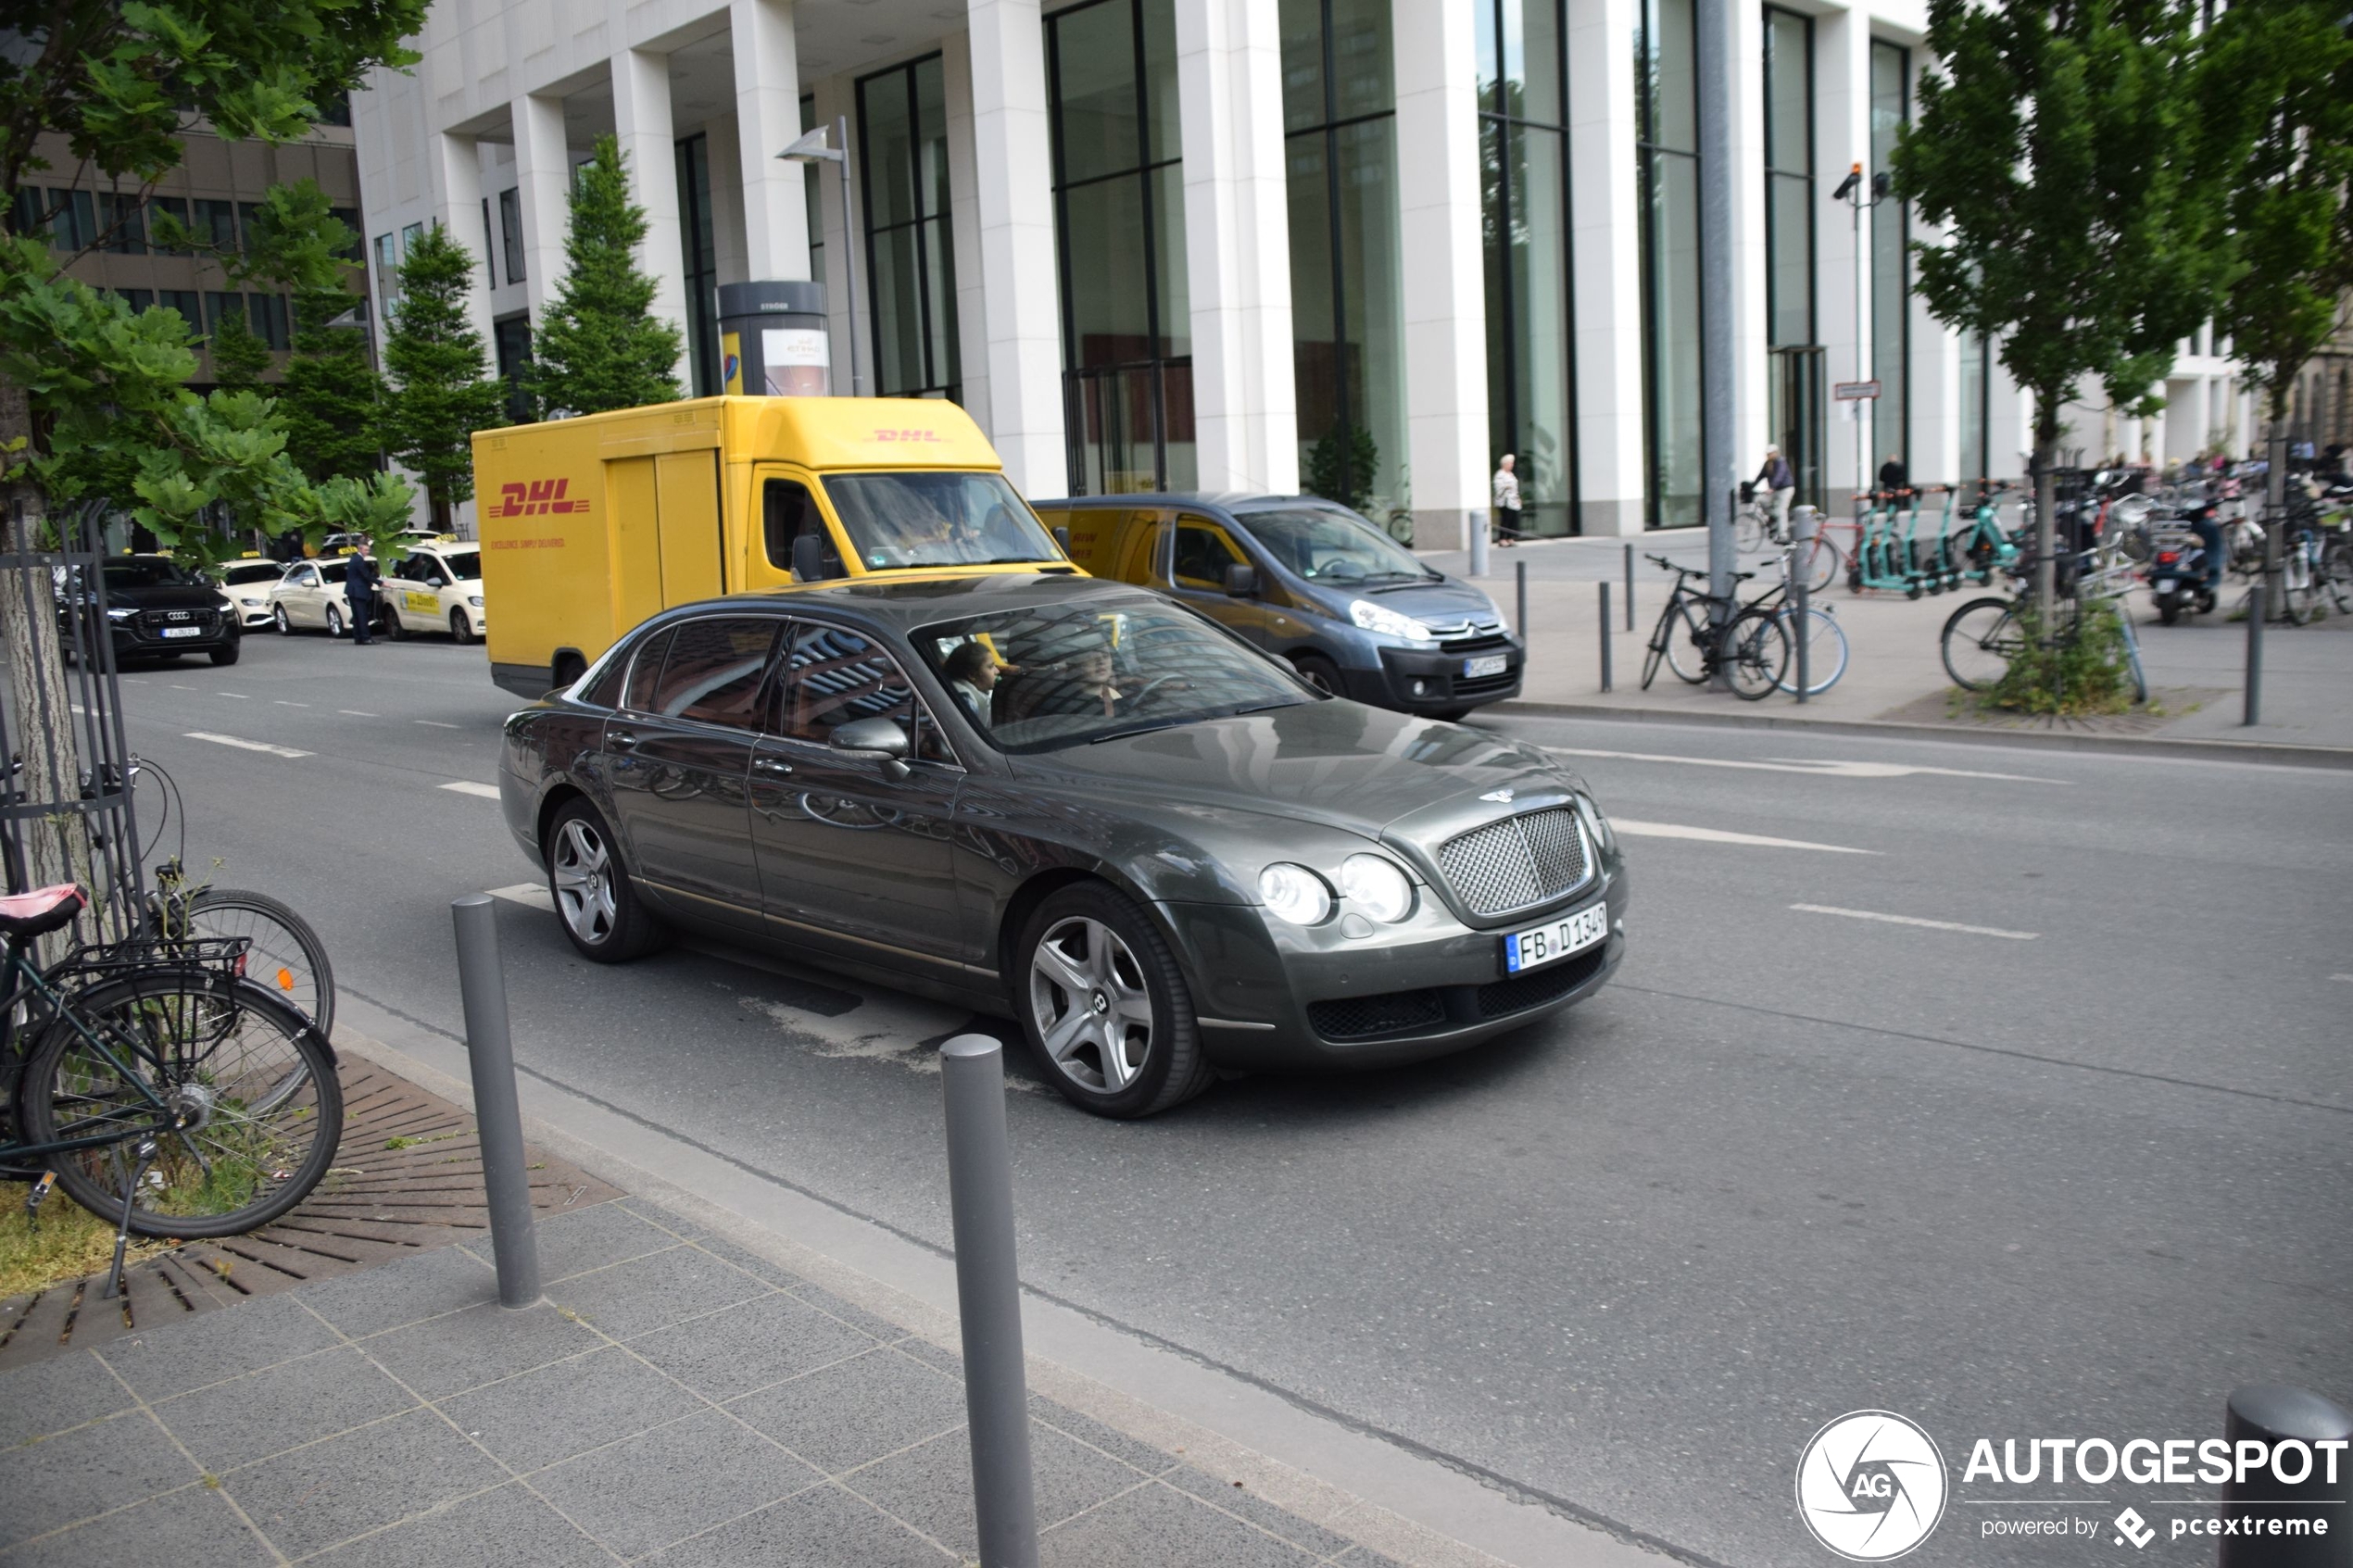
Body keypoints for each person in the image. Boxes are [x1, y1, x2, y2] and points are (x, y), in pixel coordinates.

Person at [943, 639, 1013, 727]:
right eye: (990, 667)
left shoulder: (971, 694)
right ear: (972, 675)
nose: (997, 671)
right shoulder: (966, 701)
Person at [344, 539, 380, 645]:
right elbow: (366, 575)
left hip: (352, 591)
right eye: (366, 550)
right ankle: (366, 638)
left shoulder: (354, 559)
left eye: (368, 550)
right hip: (358, 591)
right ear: (360, 549)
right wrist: (380, 582)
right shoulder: (359, 560)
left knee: (356, 616)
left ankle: (358, 637)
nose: (367, 552)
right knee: (362, 615)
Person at [1755, 445, 1794, 534]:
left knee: (1781, 510)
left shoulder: (1780, 462)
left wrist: (1772, 487)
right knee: (1760, 500)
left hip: (1785, 489)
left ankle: (1783, 534)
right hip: (1775, 490)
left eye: (1770, 454)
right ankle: (1773, 517)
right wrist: (1752, 485)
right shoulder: (1767, 464)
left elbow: (1779, 476)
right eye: (1767, 454)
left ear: (1776, 453)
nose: (1768, 455)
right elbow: (1761, 476)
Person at [1491, 454, 1522, 546]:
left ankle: (1510, 537)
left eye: (1512, 463)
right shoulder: (1500, 474)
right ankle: (1502, 538)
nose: (1512, 465)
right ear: (1505, 464)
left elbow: (1515, 488)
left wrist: (1518, 498)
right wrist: (1506, 487)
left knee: (1512, 519)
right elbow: (1498, 487)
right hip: (1504, 501)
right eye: (1510, 463)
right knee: (1506, 519)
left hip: (1513, 501)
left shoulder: (1511, 474)